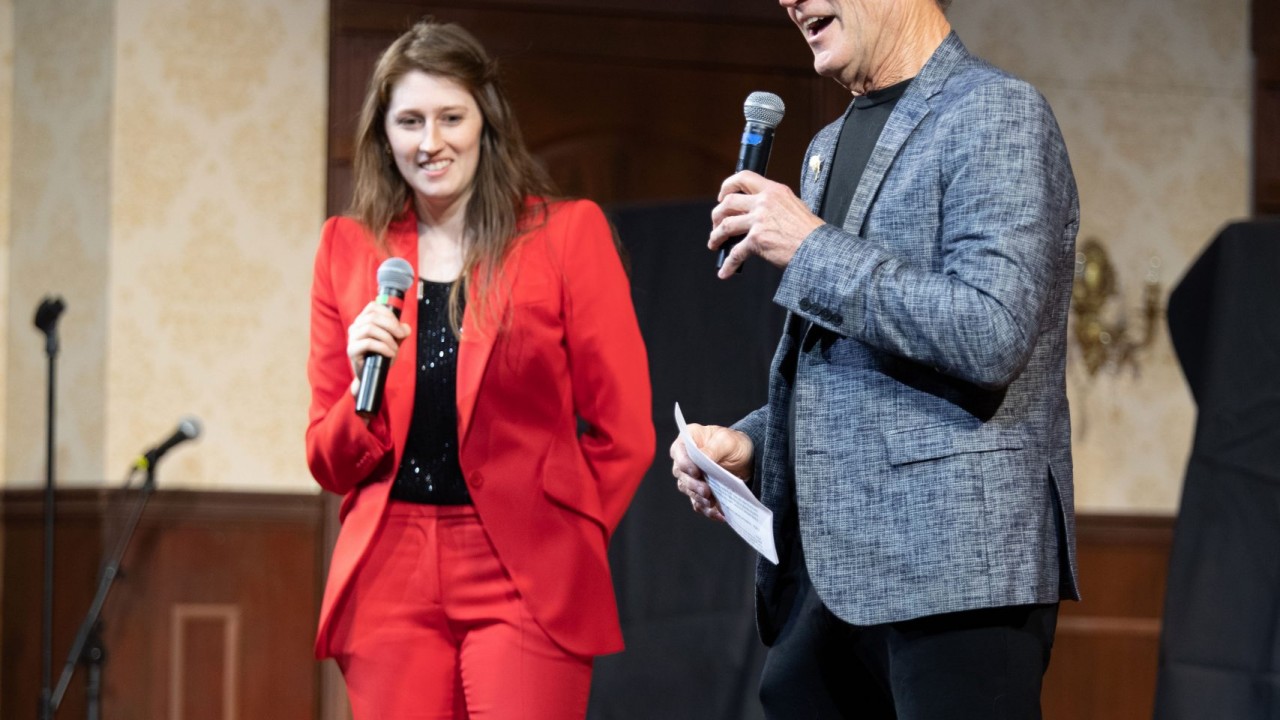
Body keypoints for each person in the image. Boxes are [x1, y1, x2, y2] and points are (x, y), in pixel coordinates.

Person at [671, 0, 1080, 717]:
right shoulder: (828, 143)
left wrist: (811, 247)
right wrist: (750, 443)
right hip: (825, 589)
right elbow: (844, 370)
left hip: (954, 580)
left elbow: (993, 330)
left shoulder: (997, 114)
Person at [306, 19, 654, 719]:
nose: (429, 142)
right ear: (385, 135)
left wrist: (568, 531)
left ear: (485, 121)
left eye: (449, 117)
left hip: (525, 568)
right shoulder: (347, 248)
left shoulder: (564, 233)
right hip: (388, 571)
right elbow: (327, 459)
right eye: (409, 121)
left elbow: (624, 431)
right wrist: (361, 388)